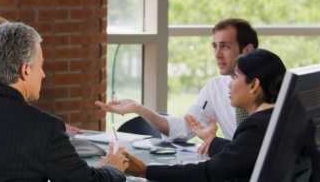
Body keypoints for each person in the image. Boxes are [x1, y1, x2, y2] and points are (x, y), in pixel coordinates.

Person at [0, 23, 128, 182]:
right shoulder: (46, 127)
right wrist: (112, 169)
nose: (42, 73)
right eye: (40, 65)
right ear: (25, 70)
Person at [123, 49, 287, 182]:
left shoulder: (256, 126)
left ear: (254, 84)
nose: (229, 84)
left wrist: (145, 171)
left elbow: (210, 171)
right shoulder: (279, 118)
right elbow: (245, 153)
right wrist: (213, 141)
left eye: (236, 76)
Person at [96, 18, 258, 141]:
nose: (217, 54)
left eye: (225, 46)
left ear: (247, 49)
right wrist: (138, 108)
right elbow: (182, 131)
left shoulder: (270, 87)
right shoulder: (215, 87)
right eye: (215, 46)